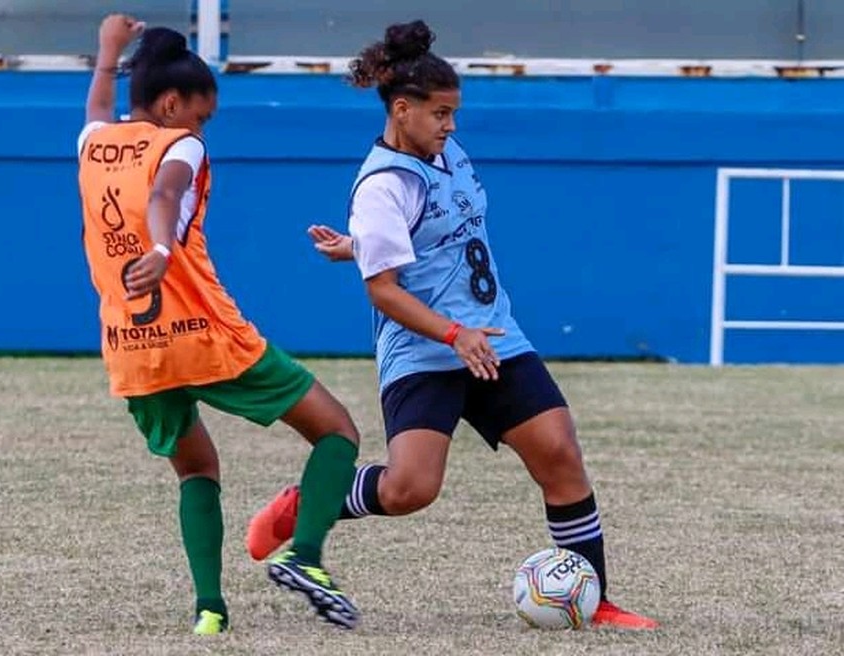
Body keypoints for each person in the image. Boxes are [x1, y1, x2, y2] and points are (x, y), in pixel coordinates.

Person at [246, 19, 658, 630]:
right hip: (425, 351)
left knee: (560, 453)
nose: (452, 126)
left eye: (454, 113)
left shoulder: (444, 151)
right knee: (410, 489)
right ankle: (311, 502)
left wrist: (362, 245)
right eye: (441, 114)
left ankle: (593, 603)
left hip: (493, 337)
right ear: (403, 110)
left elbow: (430, 238)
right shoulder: (382, 185)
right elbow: (383, 290)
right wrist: (447, 330)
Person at [77, 14, 362, 634]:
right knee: (338, 432)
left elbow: (100, 104)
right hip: (204, 334)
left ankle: (210, 608)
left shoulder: (93, 142)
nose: (203, 128)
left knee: (197, 470)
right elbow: (164, 197)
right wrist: (158, 251)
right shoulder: (181, 142)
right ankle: (307, 555)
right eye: (201, 115)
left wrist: (107, 48)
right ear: (173, 102)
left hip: (133, 347)